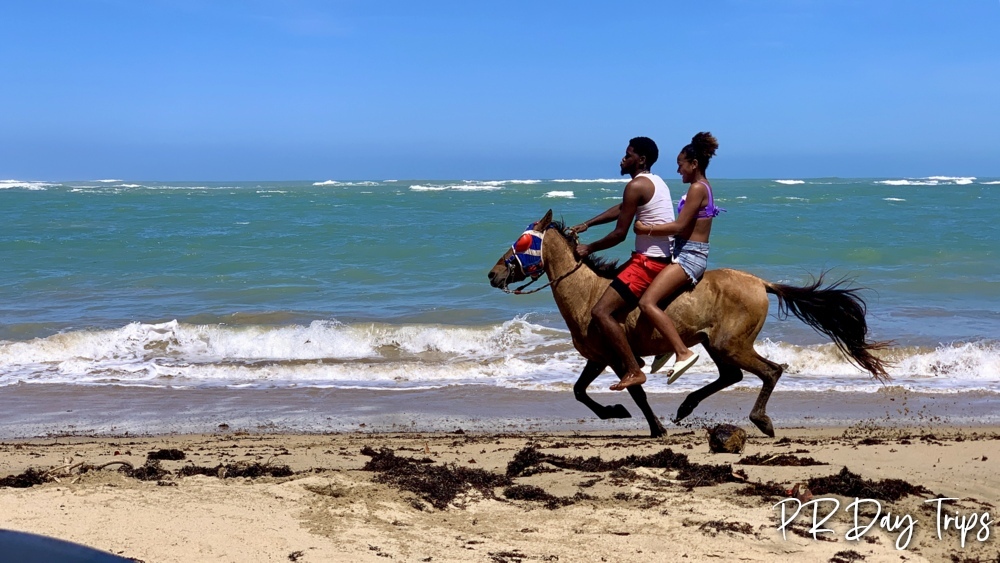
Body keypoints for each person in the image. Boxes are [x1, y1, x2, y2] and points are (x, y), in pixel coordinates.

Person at [570, 137, 675, 392]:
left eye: (627, 155)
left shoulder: (636, 185)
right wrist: (588, 224)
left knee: (600, 312)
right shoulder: (654, 182)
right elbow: (623, 208)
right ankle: (639, 350)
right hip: (661, 257)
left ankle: (633, 369)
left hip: (648, 262)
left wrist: (589, 248)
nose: (622, 159)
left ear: (641, 159)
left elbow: (620, 234)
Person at [628, 132, 722, 387]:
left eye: (681, 164)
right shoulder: (704, 186)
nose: (678, 169)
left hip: (690, 256)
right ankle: (665, 347)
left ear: (694, 164)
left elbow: (680, 226)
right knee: (654, 293)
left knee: (648, 302)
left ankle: (683, 351)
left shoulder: (696, 188)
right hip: (686, 251)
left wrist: (645, 229)